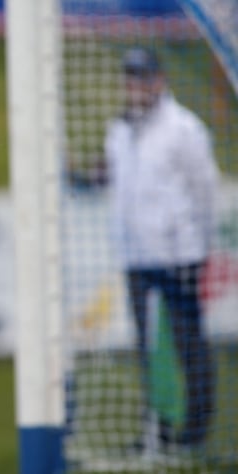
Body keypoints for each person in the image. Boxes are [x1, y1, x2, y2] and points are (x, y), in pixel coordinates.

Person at [104, 46, 219, 452]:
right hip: (137, 257)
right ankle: (158, 428)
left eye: (142, 77)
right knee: (148, 349)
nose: (135, 85)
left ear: (159, 79)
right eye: (130, 77)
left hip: (179, 256)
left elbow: (205, 189)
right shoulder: (119, 129)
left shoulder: (184, 128)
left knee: (189, 345)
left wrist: (196, 244)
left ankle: (196, 430)